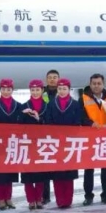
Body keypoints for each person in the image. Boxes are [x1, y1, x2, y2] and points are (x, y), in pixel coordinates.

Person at [44, 78, 82, 208]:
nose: (61, 91)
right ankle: (60, 200)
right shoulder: (51, 104)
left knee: (68, 174)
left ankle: (68, 200)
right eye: (59, 89)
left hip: (69, 142)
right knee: (57, 173)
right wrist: (55, 134)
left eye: (64, 89)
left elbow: (77, 121)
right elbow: (48, 120)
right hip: (56, 142)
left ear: (69, 90)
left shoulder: (75, 104)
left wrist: (70, 134)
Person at [80, 73, 106, 205]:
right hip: (90, 138)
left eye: (99, 83)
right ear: (90, 84)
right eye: (94, 83)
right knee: (89, 169)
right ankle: (88, 196)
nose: (96, 86)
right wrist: (89, 123)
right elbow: (80, 116)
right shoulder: (83, 98)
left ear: (103, 84)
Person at [0, 78, 21, 210]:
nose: (6, 91)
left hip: (12, 142)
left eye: (8, 89)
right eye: (3, 89)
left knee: (10, 171)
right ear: (0, 90)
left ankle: (8, 197)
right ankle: (0, 199)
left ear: (12, 90)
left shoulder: (18, 106)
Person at [19, 79, 50, 210]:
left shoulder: (48, 106)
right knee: (27, 174)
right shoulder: (24, 106)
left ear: (42, 90)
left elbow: (50, 124)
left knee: (40, 174)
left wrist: (39, 119)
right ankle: (31, 200)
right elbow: (18, 125)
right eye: (33, 90)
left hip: (42, 143)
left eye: (38, 90)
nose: (35, 92)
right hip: (27, 143)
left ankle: (39, 198)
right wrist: (23, 115)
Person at [42, 69, 60, 205]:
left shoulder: (63, 91)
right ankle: (45, 196)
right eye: (50, 77)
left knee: (59, 167)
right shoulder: (42, 93)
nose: (52, 79)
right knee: (45, 167)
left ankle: (60, 195)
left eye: (55, 77)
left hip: (59, 135)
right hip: (45, 134)